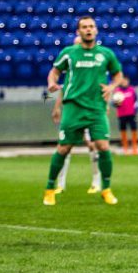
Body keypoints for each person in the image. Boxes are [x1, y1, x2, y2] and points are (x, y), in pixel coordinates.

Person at [43, 16, 123, 206]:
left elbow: (118, 74)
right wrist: (52, 83)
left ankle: (106, 189)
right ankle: (49, 188)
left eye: (91, 26)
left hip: (96, 108)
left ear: (96, 30)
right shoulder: (69, 53)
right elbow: (54, 71)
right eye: (84, 27)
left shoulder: (106, 54)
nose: (88, 29)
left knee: (103, 147)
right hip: (73, 107)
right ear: (78, 32)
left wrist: (112, 87)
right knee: (64, 148)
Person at [114, 75, 138, 154]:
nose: (124, 82)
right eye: (123, 81)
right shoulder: (117, 91)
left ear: (128, 81)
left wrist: (135, 110)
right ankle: (125, 148)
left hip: (131, 113)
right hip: (121, 114)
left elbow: (137, 101)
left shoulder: (132, 90)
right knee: (123, 129)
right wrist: (116, 103)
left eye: (126, 81)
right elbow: (113, 103)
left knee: (134, 129)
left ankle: (134, 148)